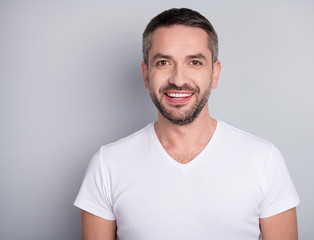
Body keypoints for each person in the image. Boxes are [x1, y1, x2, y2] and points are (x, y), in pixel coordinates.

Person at [74, 8, 300, 240]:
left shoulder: (263, 160)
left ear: (214, 73)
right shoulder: (107, 165)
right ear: (145, 74)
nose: (178, 79)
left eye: (194, 62)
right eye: (163, 62)